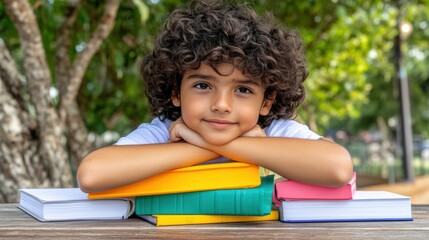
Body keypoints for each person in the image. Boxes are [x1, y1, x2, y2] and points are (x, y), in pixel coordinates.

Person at [77, 0, 353, 193]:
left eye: (243, 90)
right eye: (202, 86)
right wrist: (204, 146)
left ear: (266, 101)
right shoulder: (163, 131)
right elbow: (92, 174)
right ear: (176, 91)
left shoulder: (274, 131)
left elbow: (337, 168)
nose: (221, 105)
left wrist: (205, 141)